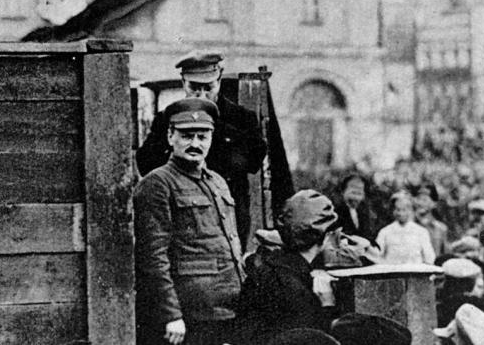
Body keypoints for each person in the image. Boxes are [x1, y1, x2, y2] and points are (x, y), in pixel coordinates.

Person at [134, 97, 244, 345]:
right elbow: (153, 256)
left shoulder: (217, 181)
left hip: (228, 308)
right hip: (190, 315)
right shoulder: (158, 184)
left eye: (202, 136)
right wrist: (171, 314)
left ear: (211, 138)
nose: (195, 144)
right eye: (186, 136)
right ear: (170, 136)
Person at [134, 52, 268, 245]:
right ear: (183, 82)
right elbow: (146, 165)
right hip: (182, 215)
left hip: (227, 215)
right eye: (194, 88)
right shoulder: (167, 118)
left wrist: (215, 126)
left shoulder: (241, 118)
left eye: (208, 88)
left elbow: (254, 162)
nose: (202, 95)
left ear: (219, 80)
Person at [236, 190, 339, 343]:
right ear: (325, 237)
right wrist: (328, 304)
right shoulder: (302, 288)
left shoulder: (265, 269)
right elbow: (313, 339)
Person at [376, 192, 435, 264]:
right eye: (398, 209)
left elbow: (429, 258)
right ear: (393, 211)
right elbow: (377, 256)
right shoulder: (385, 232)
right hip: (392, 270)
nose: (401, 213)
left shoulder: (421, 232)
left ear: (411, 210)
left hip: (415, 270)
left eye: (404, 209)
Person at [332, 174, 376, 239]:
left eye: (359, 194)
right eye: (353, 193)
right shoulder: (335, 213)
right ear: (343, 192)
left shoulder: (364, 215)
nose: (356, 198)